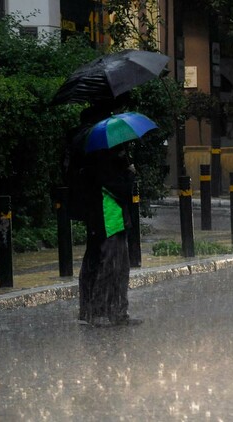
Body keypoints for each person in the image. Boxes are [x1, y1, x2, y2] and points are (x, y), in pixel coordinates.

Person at [69, 96, 142, 327]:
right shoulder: (102, 145)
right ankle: (109, 311)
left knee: (95, 258)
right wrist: (129, 172)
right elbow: (112, 181)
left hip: (95, 210)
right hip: (108, 210)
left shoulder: (83, 138)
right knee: (114, 262)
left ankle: (90, 311)